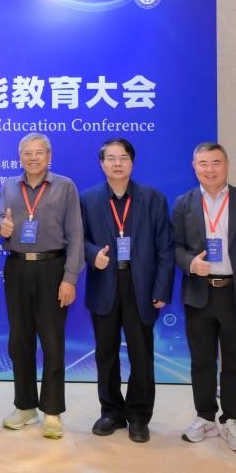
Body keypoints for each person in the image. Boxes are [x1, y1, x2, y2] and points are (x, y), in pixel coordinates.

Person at [172, 141, 236, 453]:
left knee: (234, 361)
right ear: (194, 168)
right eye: (203, 163)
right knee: (201, 361)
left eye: (216, 162)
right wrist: (190, 263)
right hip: (199, 294)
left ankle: (232, 418)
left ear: (226, 165)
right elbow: (175, 247)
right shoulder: (184, 203)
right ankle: (205, 416)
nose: (210, 169)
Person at [79, 138, 174, 443]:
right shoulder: (88, 199)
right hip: (105, 284)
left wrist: (162, 289)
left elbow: (165, 248)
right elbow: (78, 239)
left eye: (123, 158)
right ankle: (111, 412)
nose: (117, 163)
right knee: (105, 354)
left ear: (132, 162)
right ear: (102, 163)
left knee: (141, 356)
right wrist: (93, 254)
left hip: (141, 287)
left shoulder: (153, 199)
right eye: (111, 158)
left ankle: (139, 416)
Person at [0, 132, 84, 439]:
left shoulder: (65, 186)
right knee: (19, 341)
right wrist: (1, 227)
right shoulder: (9, 186)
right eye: (27, 153)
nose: (33, 158)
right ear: (20, 157)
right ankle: (25, 406)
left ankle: (52, 411)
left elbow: (76, 235)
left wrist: (70, 278)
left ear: (49, 156)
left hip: (52, 268)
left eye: (39, 152)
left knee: (53, 342)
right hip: (17, 267)